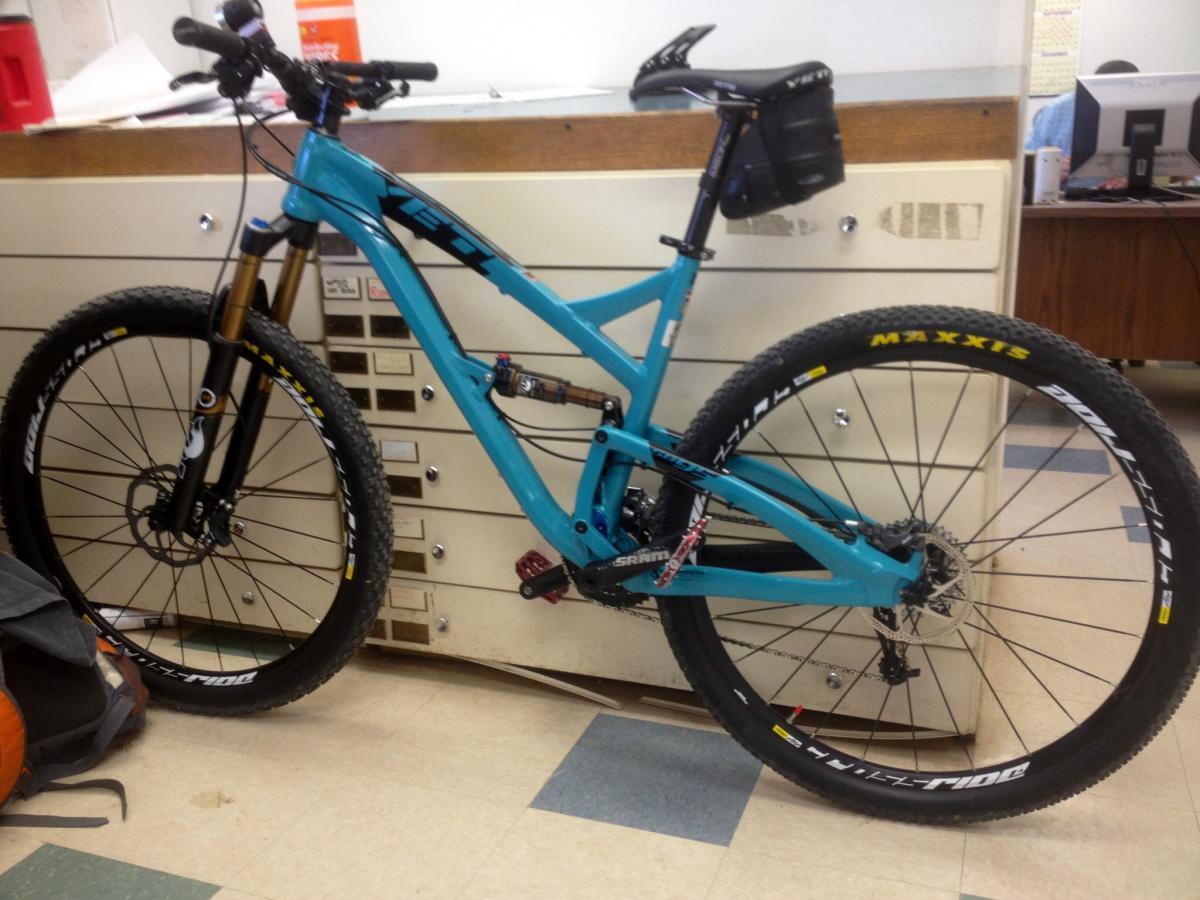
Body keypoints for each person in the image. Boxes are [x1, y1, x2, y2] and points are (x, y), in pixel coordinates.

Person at [1027, 59, 1139, 188]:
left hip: (1120, 201)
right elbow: (1026, 164)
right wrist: (1049, 170)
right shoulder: (1056, 110)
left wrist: (1132, 181)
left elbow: (1153, 164)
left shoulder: (1143, 109)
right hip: (1061, 199)